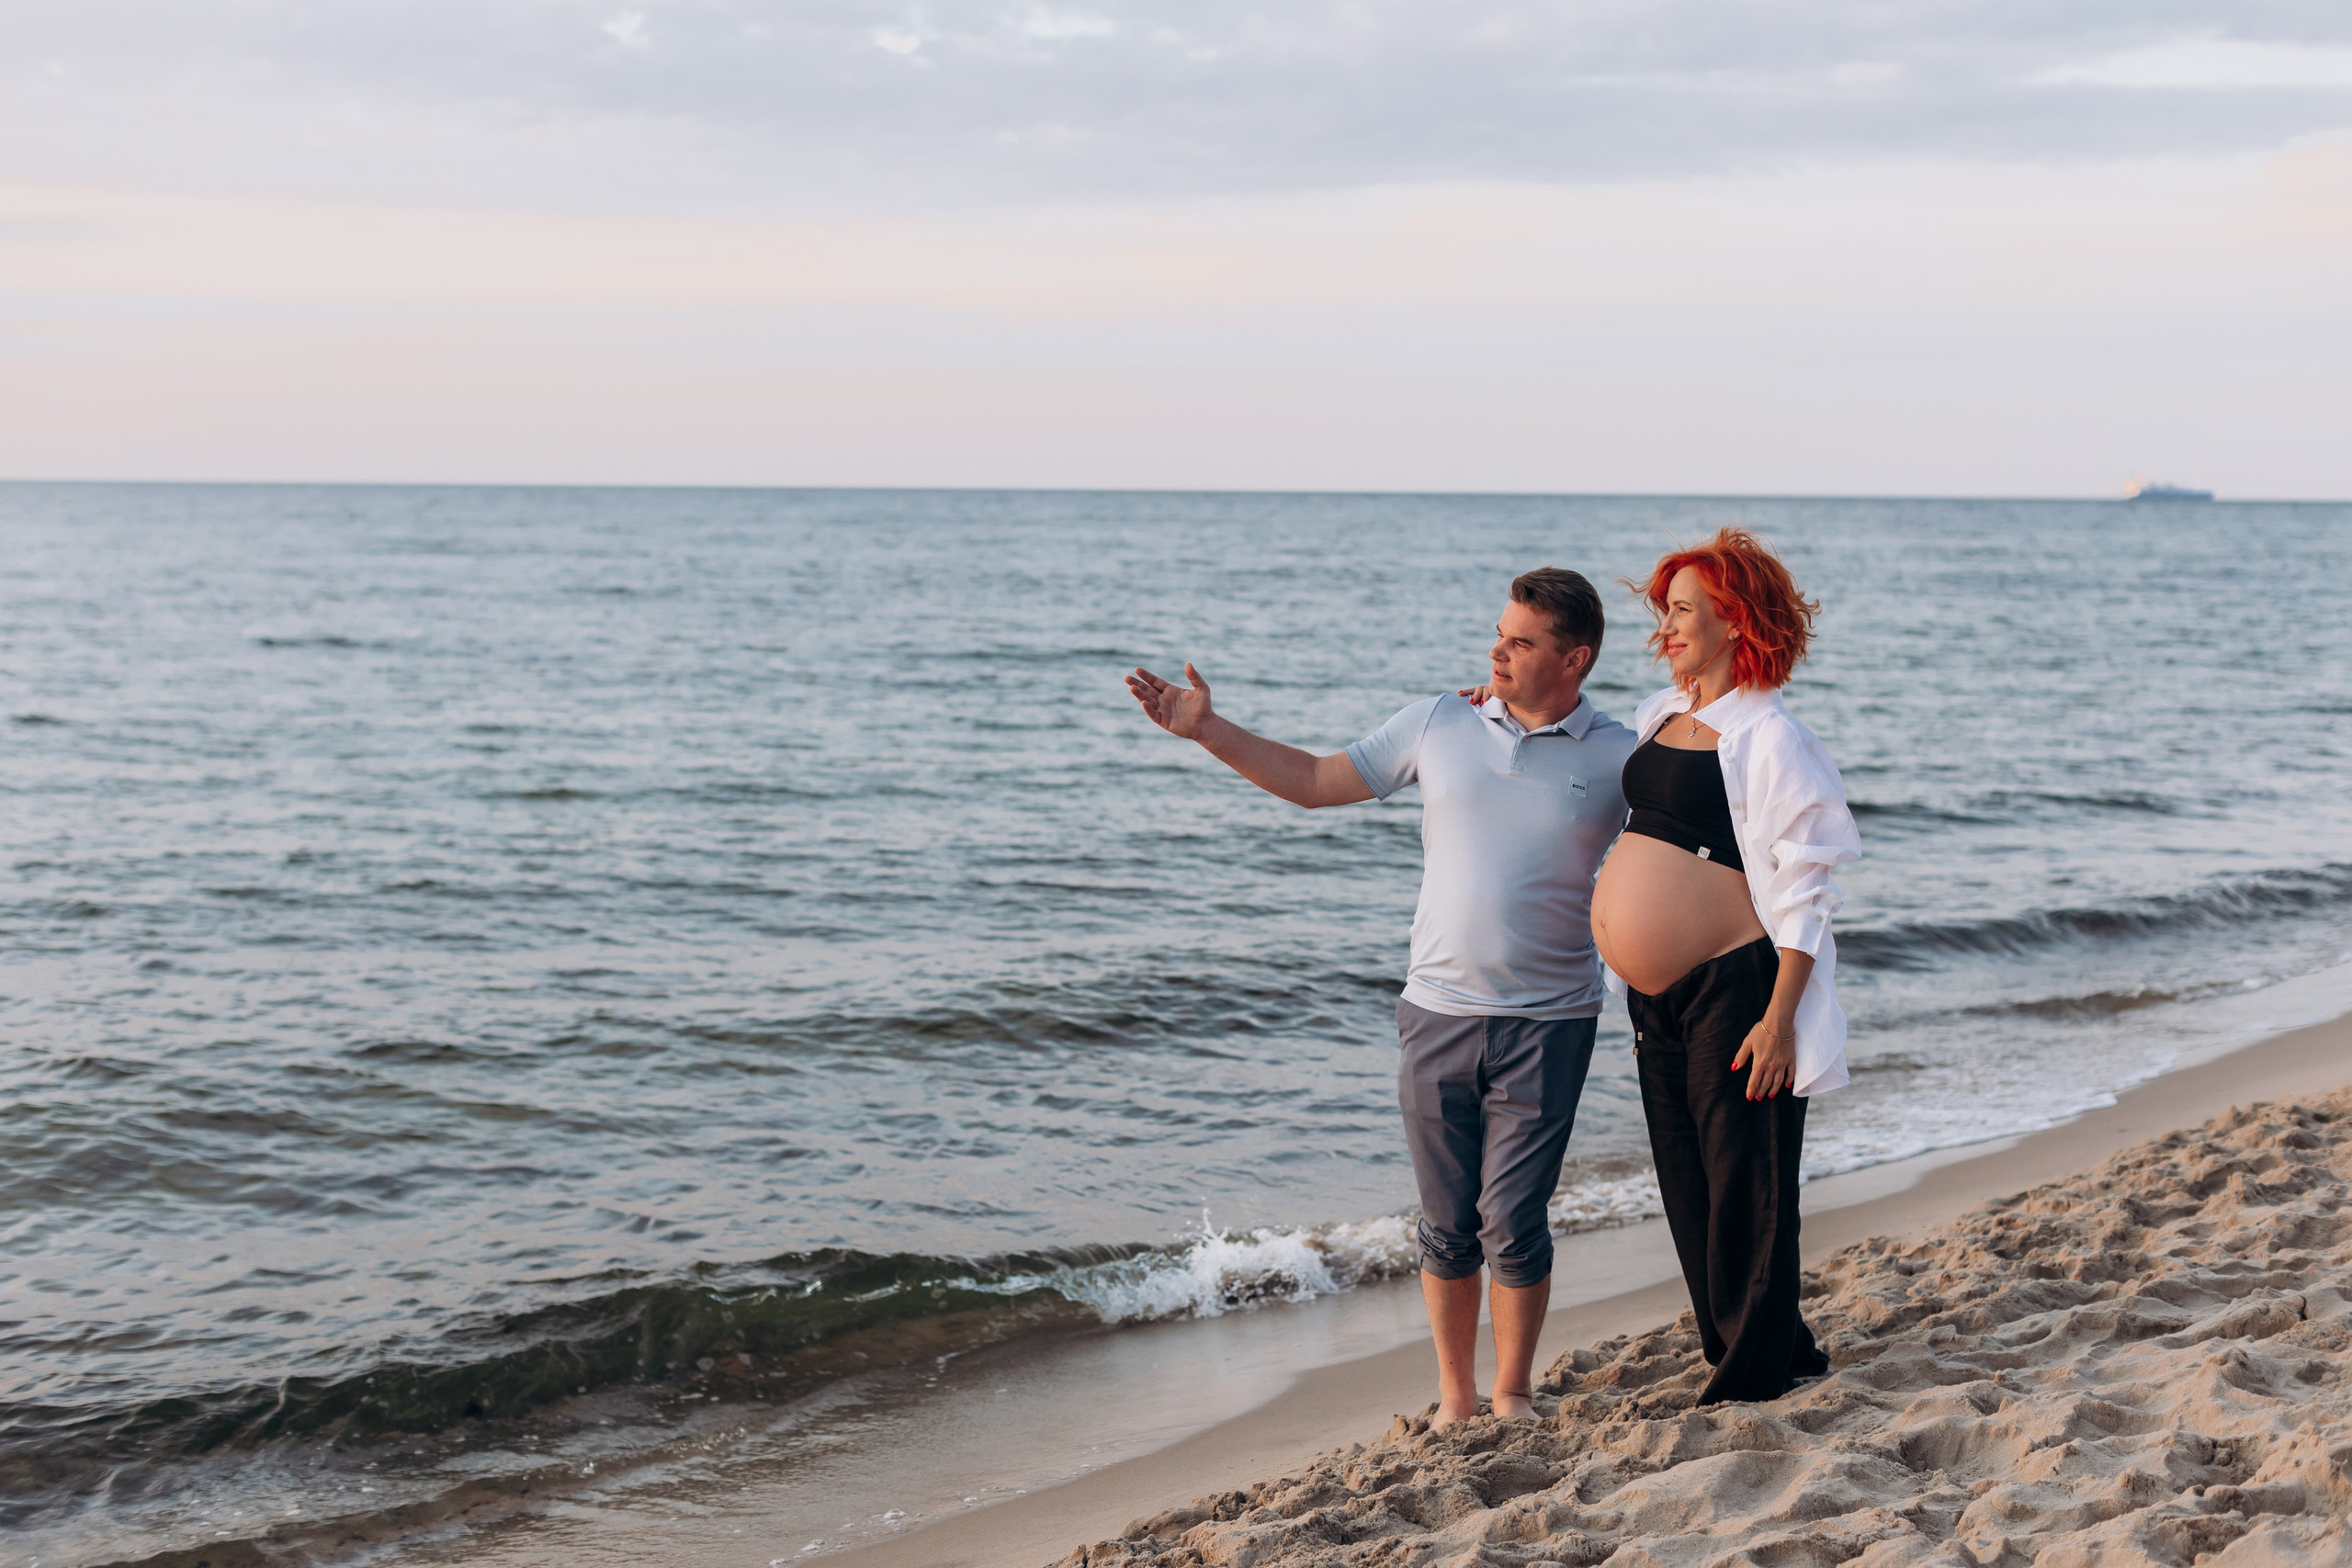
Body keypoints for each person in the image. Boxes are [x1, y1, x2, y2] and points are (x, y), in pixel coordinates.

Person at [1125, 569, 1635, 1426]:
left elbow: (1691, 828)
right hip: (1436, 1011)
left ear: (1573, 657)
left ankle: (1512, 1391)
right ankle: (1457, 1397)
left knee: (1514, 1216)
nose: (1495, 650)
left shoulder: (1622, 754)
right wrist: (1208, 730)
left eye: (1519, 641)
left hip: (1551, 1021)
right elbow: (1319, 779)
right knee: (1446, 1222)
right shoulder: (1441, 720)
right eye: (1498, 633)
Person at [1592, 527, 1860, 1404]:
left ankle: (1752, 1375)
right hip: (1653, 994)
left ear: (1734, 621)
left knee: (1745, 1175)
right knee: (1686, 1176)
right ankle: (1768, 1345)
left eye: (1682, 612)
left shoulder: (1769, 734)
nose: (1665, 628)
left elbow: (1806, 886)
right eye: (1664, 611)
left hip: (1737, 982)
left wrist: (1780, 1016)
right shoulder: (1657, 716)